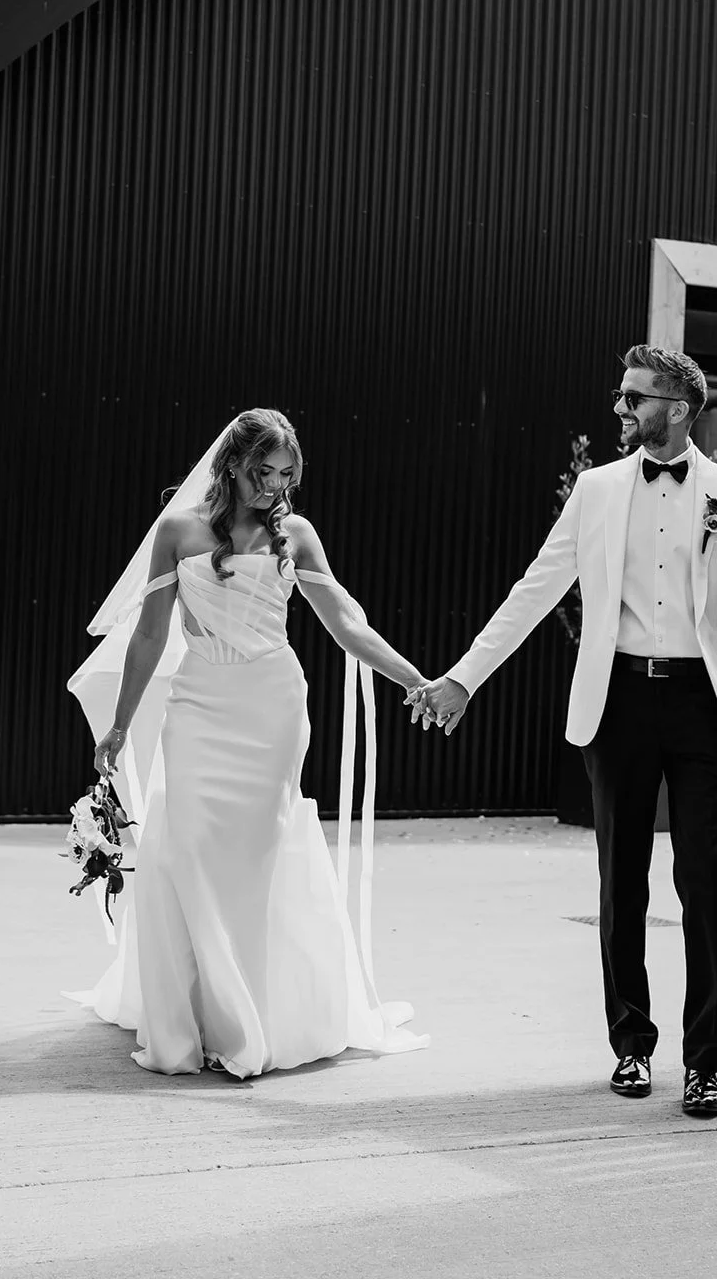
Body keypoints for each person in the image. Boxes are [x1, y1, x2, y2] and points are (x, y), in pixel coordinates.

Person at [408, 346, 717, 1116]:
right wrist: (463, 676)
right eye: (621, 397)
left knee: (705, 882)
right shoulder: (593, 491)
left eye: (634, 398)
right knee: (621, 881)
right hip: (616, 703)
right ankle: (630, 1046)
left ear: (678, 409)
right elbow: (534, 589)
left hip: (702, 709)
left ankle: (702, 1063)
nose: (620, 409)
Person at [67, 408, 429, 1078]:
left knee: (257, 857)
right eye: (263, 472)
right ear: (231, 465)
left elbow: (346, 624)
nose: (274, 486)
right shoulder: (177, 532)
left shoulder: (296, 533)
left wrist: (417, 679)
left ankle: (254, 1018)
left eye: (286, 474)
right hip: (197, 705)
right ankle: (203, 1016)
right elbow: (149, 634)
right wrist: (119, 725)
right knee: (192, 847)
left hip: (271, 706)